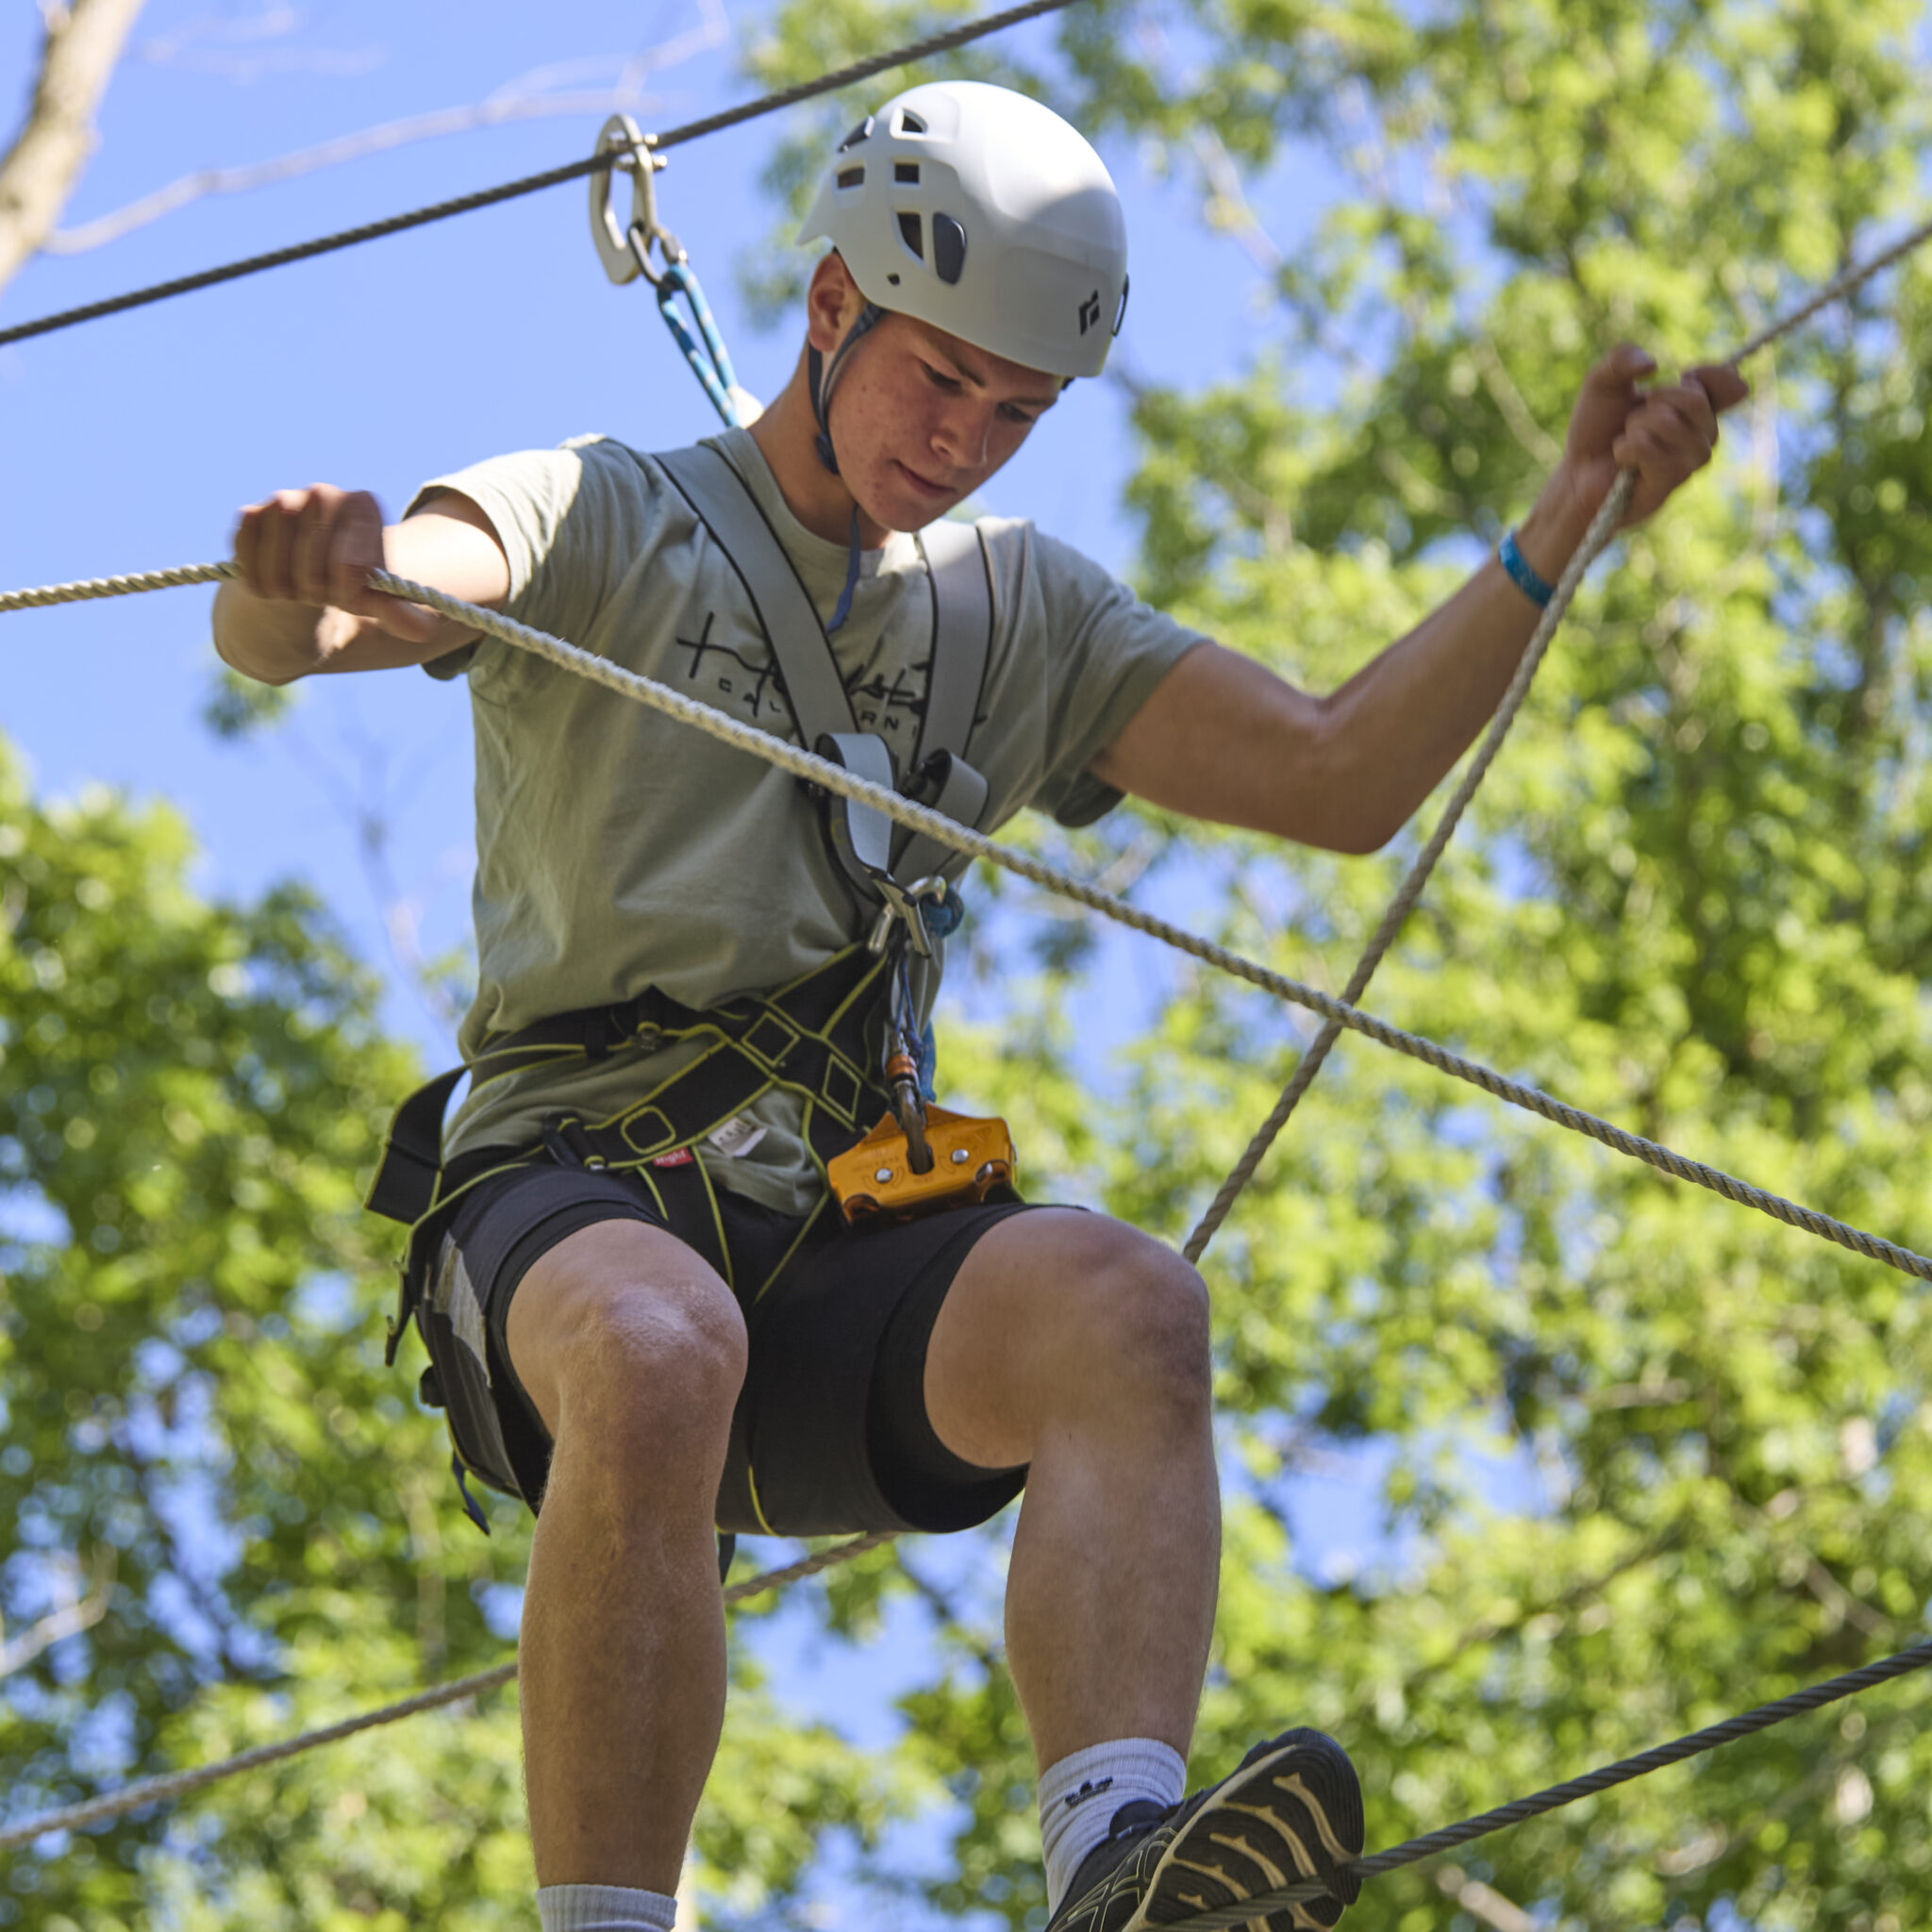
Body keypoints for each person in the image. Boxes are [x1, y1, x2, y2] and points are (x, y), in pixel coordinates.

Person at [212, 79, 1745, 1932]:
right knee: (655, 1342)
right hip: (578, 1195)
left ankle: (1120, 1864)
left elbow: (1340, 779)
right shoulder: (612, 512)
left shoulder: (1020, 616)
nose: (967, 440)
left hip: (841, 1229)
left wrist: (1563, 525)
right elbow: (372, 605)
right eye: (940, 378)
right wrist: (303, 593)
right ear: (828, 306)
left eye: (1017, 412)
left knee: (1124, 1302)